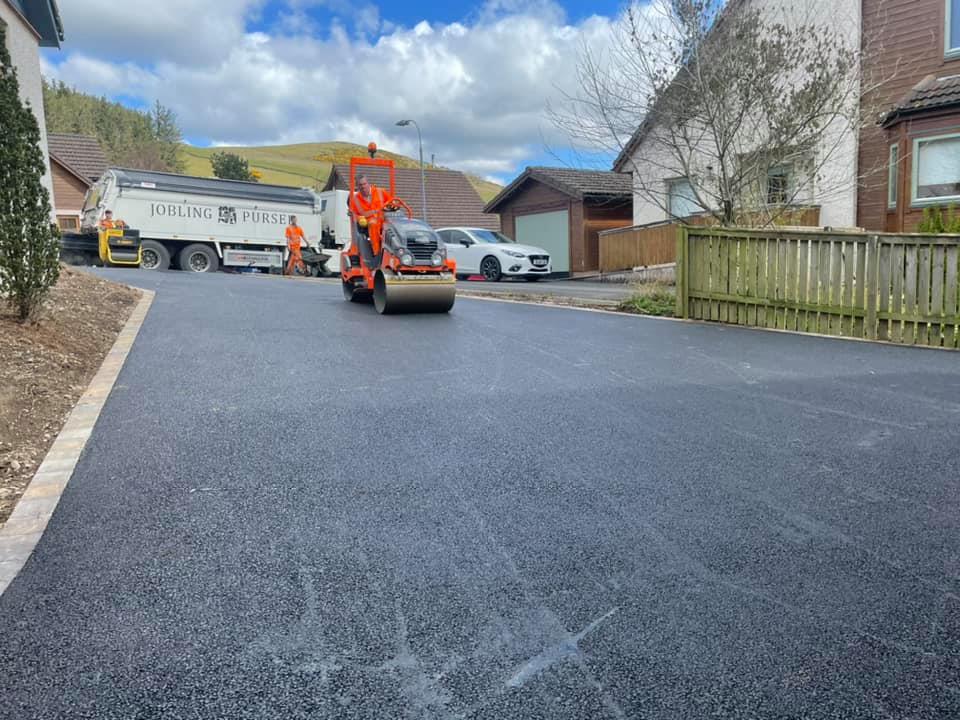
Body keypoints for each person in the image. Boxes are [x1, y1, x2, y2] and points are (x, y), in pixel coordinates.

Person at [349, 173, 395, 253]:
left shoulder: (380, 192)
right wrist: (355, 216)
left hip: (385, 219)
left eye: (364, 184)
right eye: (360, 185)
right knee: (373, 223)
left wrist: (392, 206)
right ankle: (377, 252)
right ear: (357, 186)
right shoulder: (355, 200)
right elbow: (354, 215)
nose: (363, 186)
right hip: (369, 223)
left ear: (368, 183)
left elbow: (392, 202)